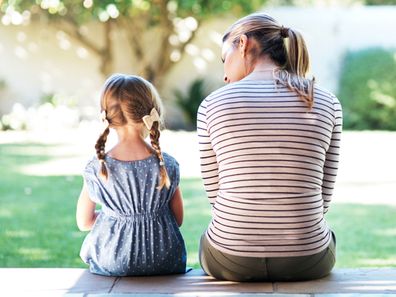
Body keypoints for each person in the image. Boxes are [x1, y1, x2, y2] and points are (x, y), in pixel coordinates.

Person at [197, 12, 342, 282]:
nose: (225, 75)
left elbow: (216, 196)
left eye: (223, 58)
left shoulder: (212, 104)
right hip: (307, 259)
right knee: (327, 236)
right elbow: (323, 195)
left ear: (243, 44)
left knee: (209, 239)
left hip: (230, 259)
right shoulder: (326, 101)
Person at [76, 73, 187, 276]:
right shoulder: (167, 164)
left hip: (113, 261)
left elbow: (84, 222)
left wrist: (115, 216)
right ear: (151, 113)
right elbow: (178, 219)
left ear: (107, 117)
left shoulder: (97, 167)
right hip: (165, 259)